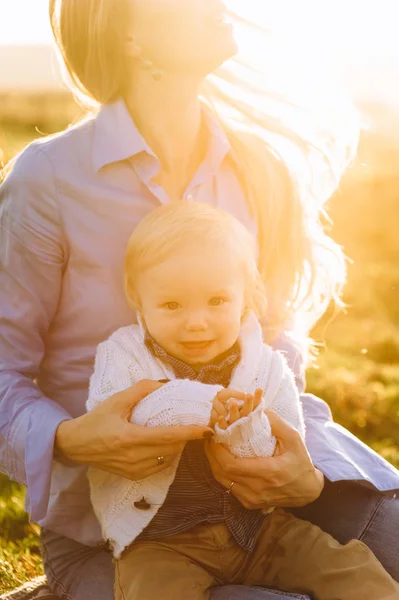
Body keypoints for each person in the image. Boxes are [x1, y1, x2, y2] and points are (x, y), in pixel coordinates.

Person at [0, 1, 398, 599]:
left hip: (272, 501)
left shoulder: (256, 168)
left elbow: (274, 330)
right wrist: (73, 438)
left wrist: (295, 466)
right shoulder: (48, 179)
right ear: (131, 37)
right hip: (124, 531)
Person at [86, 201, 399, 600]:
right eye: (172, 305)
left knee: (353, 570)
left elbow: (281, 439)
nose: (196, 321)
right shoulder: (124, 355)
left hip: (261, 530)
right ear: (137, 296)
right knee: (154, 591)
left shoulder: (264, 364)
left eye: (216, 301)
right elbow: (126, 419)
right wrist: (206, 405)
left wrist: (245, 425)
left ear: (245, 296)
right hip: (161, 542)